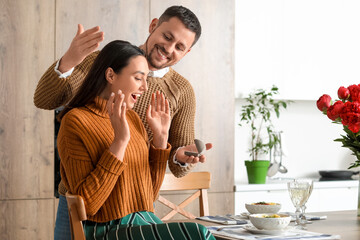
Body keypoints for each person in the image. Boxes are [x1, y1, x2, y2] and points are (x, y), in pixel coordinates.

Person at [33, 5, 212, 239]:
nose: (168, 48)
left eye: (179, 47)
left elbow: (176, 166)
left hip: (134, 206)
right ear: (153, 26)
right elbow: (45, 99)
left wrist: (176, 154)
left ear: (186, 52)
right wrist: (69, 60)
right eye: (167, 36)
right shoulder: (104, 62)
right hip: (86, 203)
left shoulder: (181, 91)